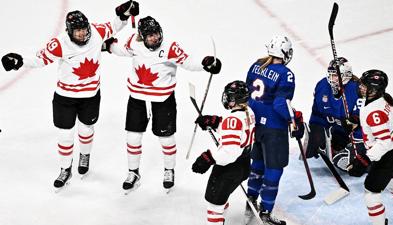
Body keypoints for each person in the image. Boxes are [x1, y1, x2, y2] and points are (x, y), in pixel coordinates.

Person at [1, 1, 139, 190]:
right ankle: (65, 169)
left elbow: (114, 26)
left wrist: (125, 14)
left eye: (84, 29)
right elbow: (40, 59)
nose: (83, 33)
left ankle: (84, 156)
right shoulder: (59, 43)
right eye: (78, 31)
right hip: (65, 98)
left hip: (90, 96)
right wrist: (20, 60)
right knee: (65, 135)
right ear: (69, 31)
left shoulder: (96, 32)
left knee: (85, 130)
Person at [102, 16, 222, 192]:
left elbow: (187, 62)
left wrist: (206, 64)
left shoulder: (169, 48)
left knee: (166, 138)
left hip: (163, 99)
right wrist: (109, 46)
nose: (155, 38)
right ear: (142, 36)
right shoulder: (134, 42)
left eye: (156, 34)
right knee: (133, 137)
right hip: (137, 98)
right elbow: (123, 50)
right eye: (150, 36)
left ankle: (169, 170)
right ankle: (133, 172)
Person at [244, 35, 304, 225]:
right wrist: (293, 120)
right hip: (274, 128)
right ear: (285, 52)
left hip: (255, 124)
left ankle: (251, 200)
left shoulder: (256, 66)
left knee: (258, 164)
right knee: (274, 168)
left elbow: (246, 93)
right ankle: (266, 211)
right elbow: (280, 104)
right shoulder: (286, 73)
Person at [191, 80, 255, 225]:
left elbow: (229, 153)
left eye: (229, 97)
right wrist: (215, 122)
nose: (226, 99)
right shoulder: (248, 112)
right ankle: (221, 217)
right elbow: (238, 131)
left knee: (214, 204)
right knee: (221, 198)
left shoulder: (232, 119)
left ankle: (217, 219)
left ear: (235, 100)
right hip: (243, 165)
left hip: (229, 168)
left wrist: (208, 158)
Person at [347, 70, 393, 225]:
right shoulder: (383, 99)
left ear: (375, 89)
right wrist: (358, 121)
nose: (361, 87)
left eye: (365, 85)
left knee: (371, 193)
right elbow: (383, 123)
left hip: (387, 155)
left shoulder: (374, 111)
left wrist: (364, 159)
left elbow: (384, 142)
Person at [305, 57, 367, 172]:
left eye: (335, 75)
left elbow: (364, 124)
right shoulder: (322, 86)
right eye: (330, 74)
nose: (332, 79)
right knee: (335, 154)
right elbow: (317, 113)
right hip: (337, 130)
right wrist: (315, 132)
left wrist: (357, 144)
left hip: (358, 134)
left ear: (346, 75)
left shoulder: (357, 90)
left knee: (354, 164)